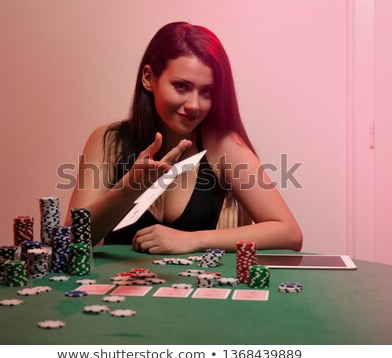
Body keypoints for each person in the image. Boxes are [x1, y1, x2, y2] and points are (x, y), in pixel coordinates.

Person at [64, 21, 302, 254]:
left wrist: (193, 240)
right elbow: (70, 239)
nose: (194, 105)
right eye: (181, 86)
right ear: (148, 78)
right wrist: (129, 187)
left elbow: (289, 233)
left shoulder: (223, 146)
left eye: (206, 91)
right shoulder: (107, 141)